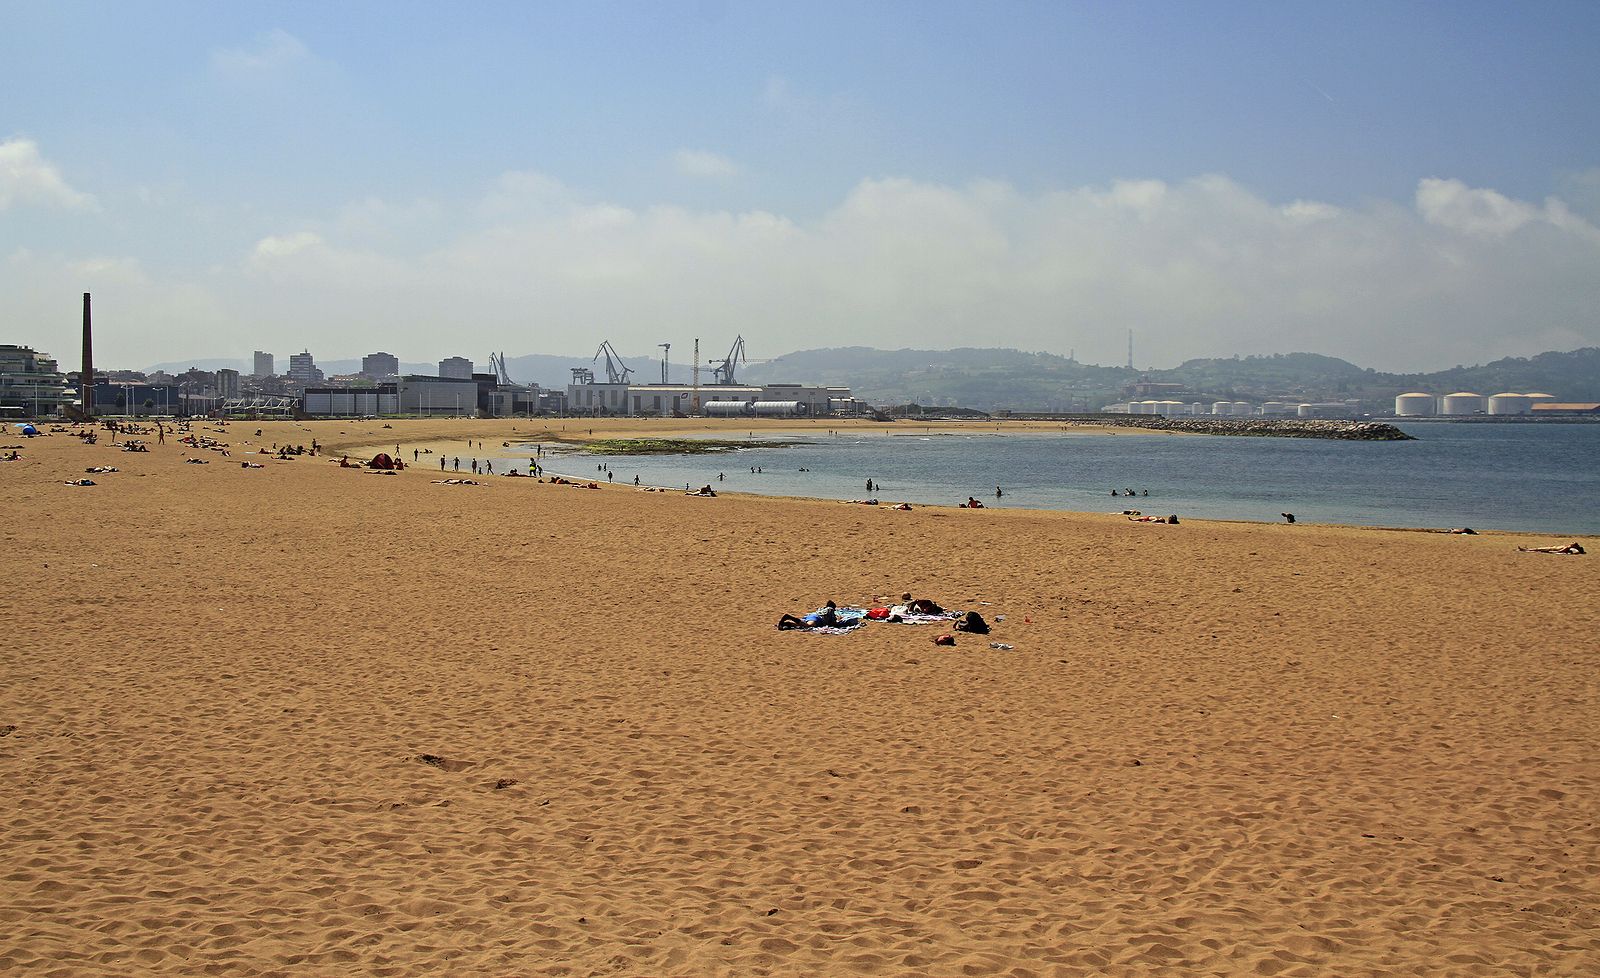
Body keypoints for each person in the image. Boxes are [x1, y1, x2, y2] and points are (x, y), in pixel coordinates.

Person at [1518, 543, 1585, 554]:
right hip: (1552, 548)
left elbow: (1560, 551)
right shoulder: (1568, 547)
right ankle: (1526, 549)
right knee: (1539, 548)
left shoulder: (1567, 548)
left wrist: (1552, 552)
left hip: (1552, 549)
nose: (1572, 542)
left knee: (1539, 549)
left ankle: (1525, 550)